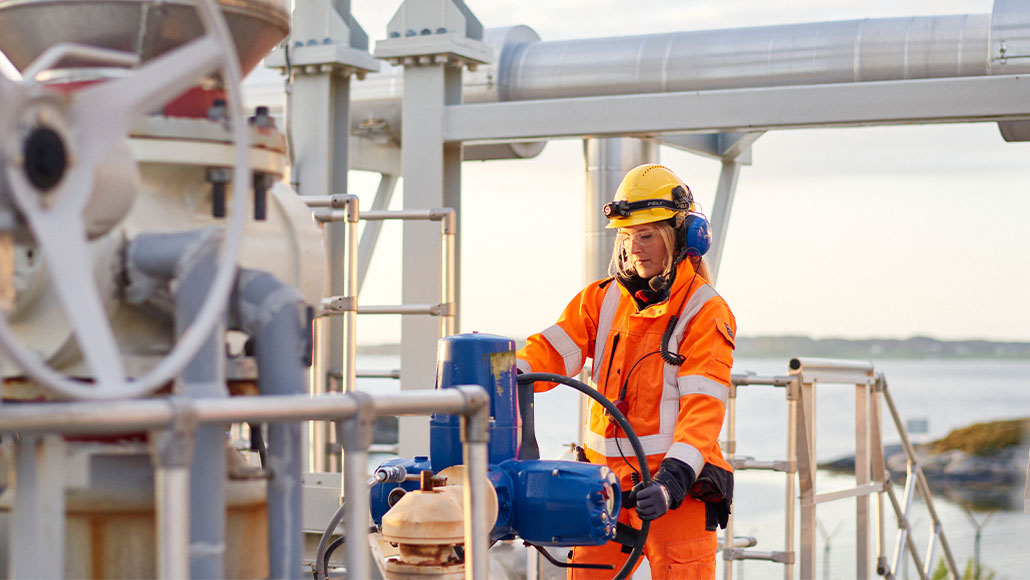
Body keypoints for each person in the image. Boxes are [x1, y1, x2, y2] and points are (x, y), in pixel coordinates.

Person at [516, 164, 735, 579]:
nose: (635, 249)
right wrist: (496, 370)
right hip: (602, 489)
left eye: (647, 235)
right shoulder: (600, 299)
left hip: (673, 493)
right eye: (627, 236)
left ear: (683, 235)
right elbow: (547, 353)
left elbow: (703, 409)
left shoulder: (706, 311)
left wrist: (673, 481)